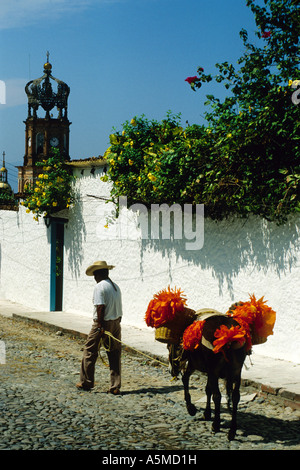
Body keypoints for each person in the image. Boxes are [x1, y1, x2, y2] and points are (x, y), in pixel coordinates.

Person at [76, 261, 123, 394]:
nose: (94, 278)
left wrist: (100, 326)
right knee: (114, 354)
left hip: (102, 323)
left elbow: (100, 307)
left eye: (95, 275)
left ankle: (86, 382)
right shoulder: (115, 287)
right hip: (115, 323)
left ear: (100, 274)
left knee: (90, 351)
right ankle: (115, 386)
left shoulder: (99, 287)